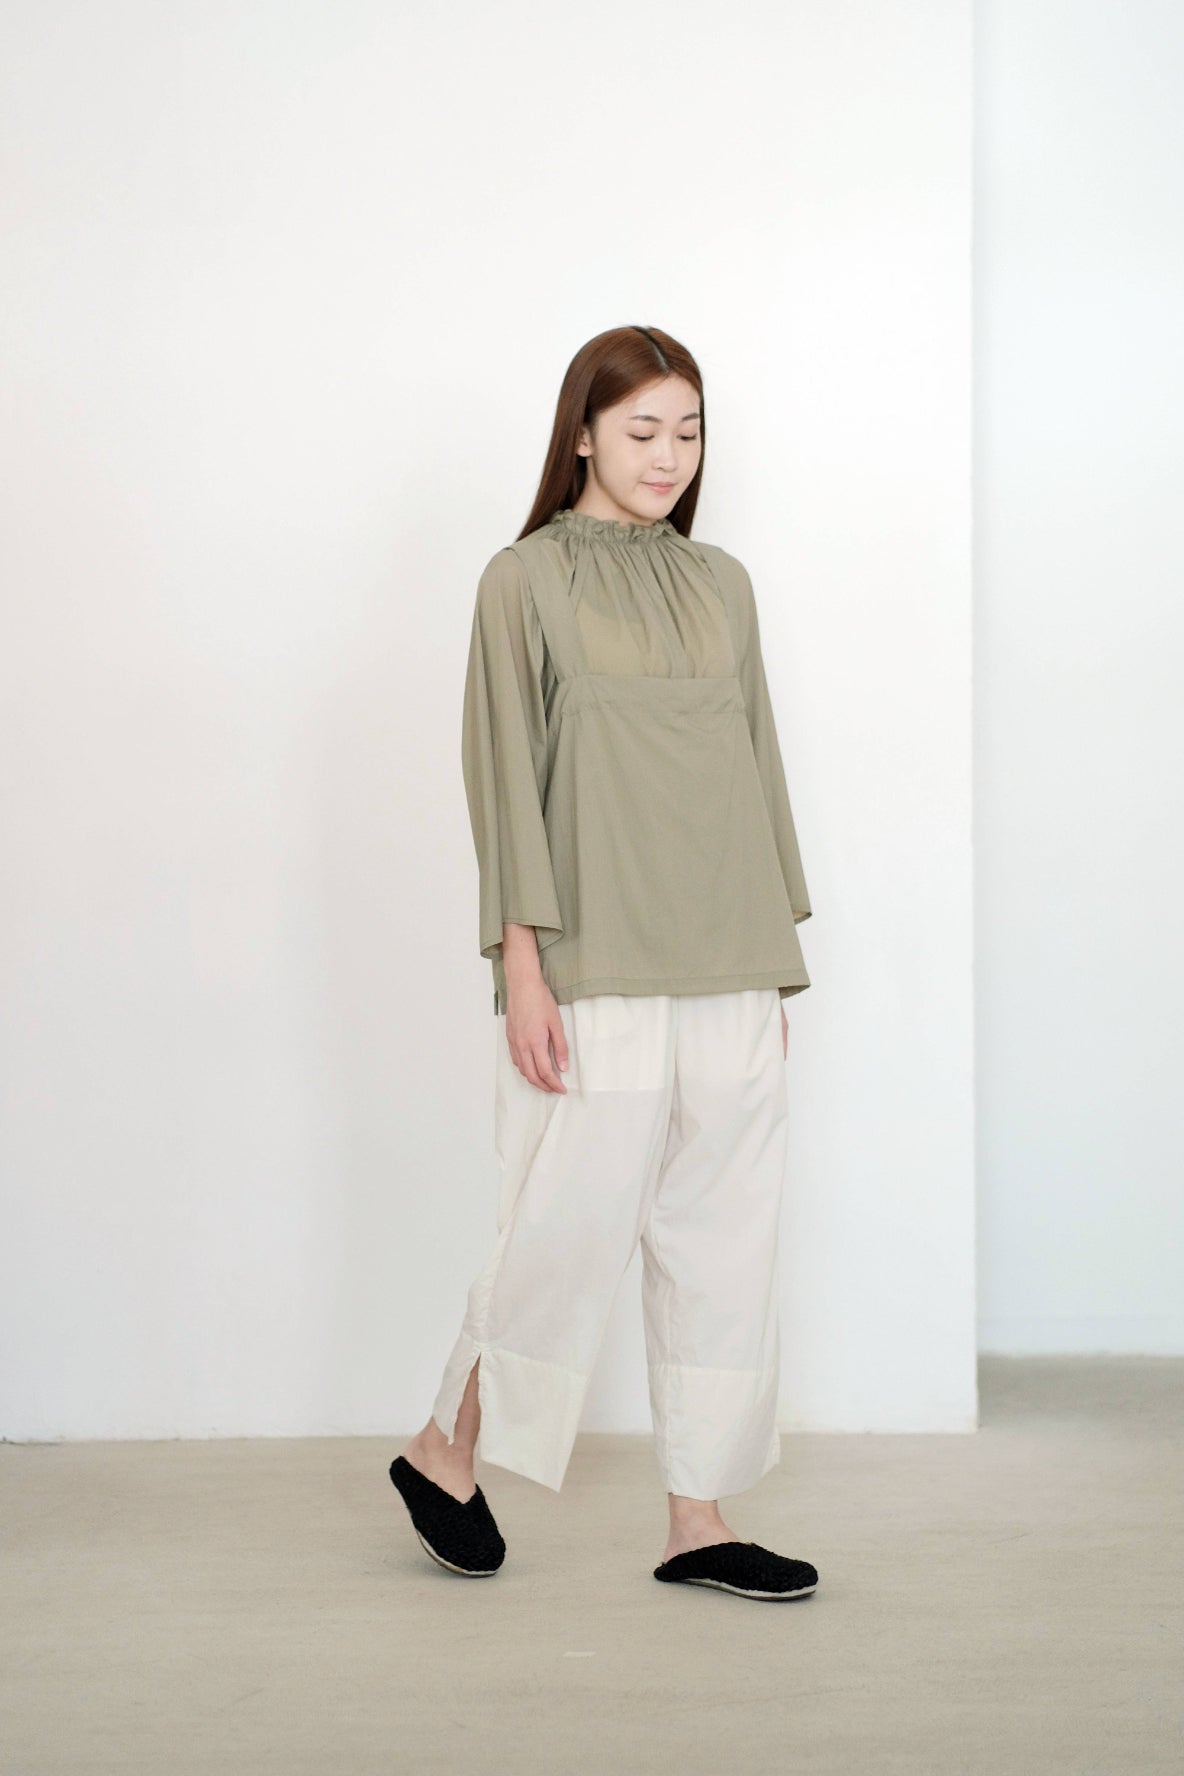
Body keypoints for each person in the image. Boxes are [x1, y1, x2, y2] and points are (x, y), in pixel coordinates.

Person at [389, 325, 820, 1602]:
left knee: (724, 1239)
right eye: (641, 431)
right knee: (561, 1229)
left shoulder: (722, 584)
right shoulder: (520, 581)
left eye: (687, 432)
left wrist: (772, 954)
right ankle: (445, 1447)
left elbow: (754, 765)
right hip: (591, 958)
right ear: (581, 433)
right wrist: (520, 964)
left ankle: (698, 1520)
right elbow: (503, 776)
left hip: (727, 953)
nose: (667, 457)